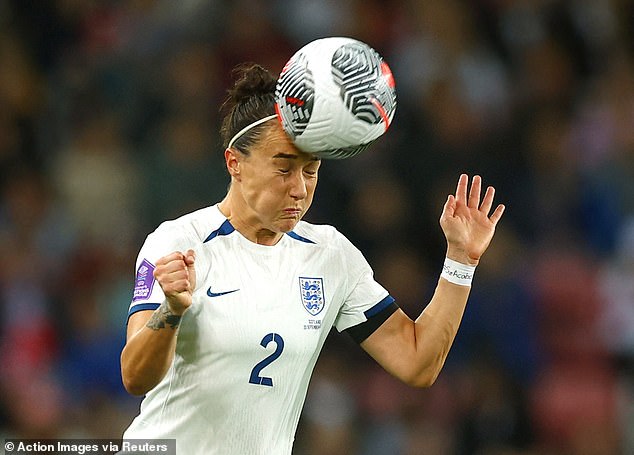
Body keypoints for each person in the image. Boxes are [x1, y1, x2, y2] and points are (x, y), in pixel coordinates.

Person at [120, 63, 505, 454]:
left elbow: (418, 362)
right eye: (283, 168)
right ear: (234, 162)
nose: (299, 189)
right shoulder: (179, 242)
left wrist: (461, 260)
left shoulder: (329, 255)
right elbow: (134, 376)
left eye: (311, 170)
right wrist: (170, 311)